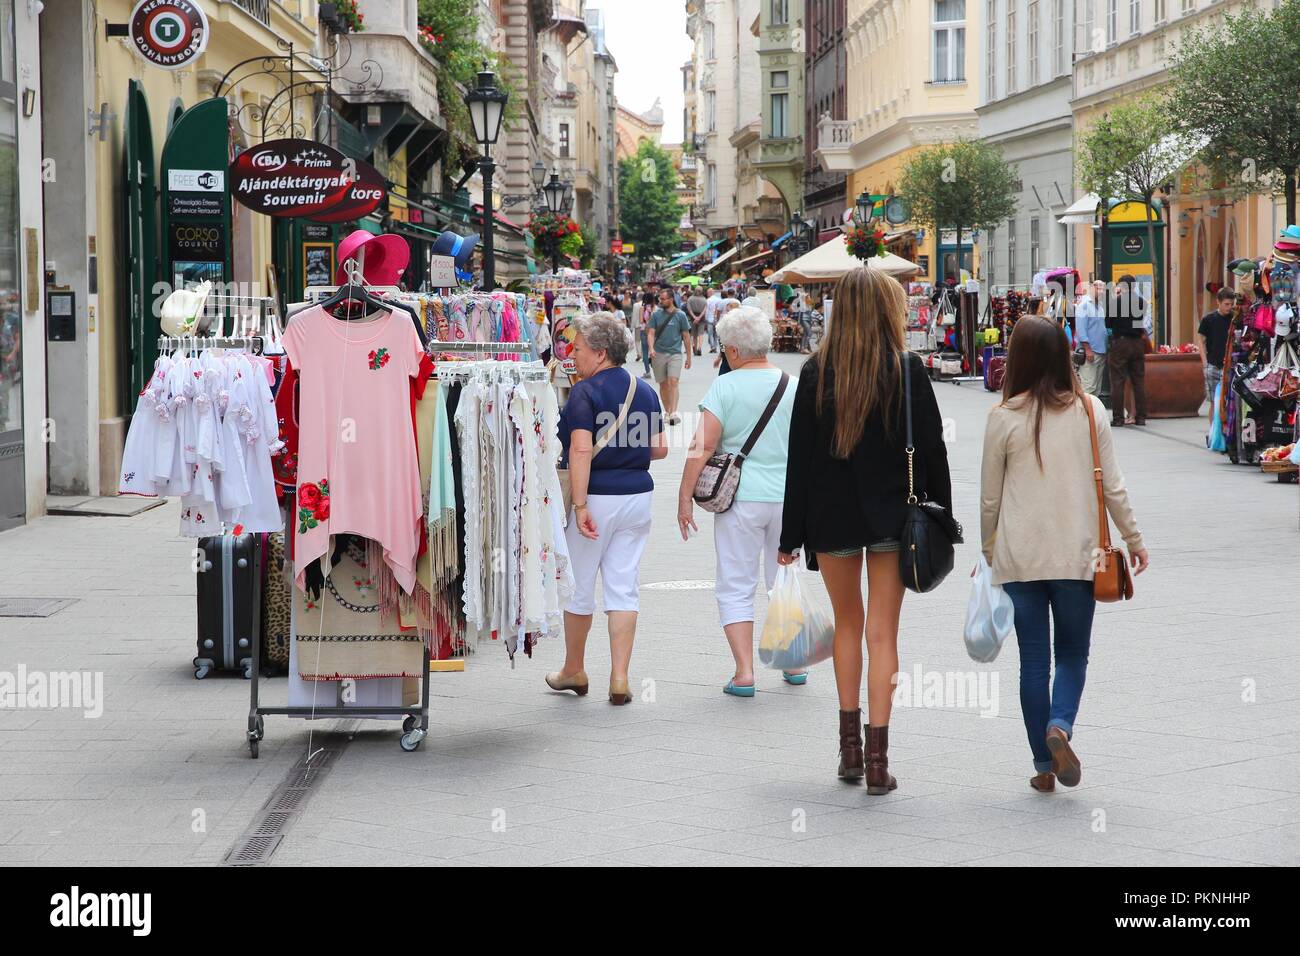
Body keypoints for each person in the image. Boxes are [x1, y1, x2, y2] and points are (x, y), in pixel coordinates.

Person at [778, 268, 952, 793]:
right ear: (885, 310)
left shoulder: (815, 372)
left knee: (847, 625)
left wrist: (789, 536)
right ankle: (879, 760)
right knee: (883, 632)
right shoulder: (907, 369)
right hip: (892, 517)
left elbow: (799, 462)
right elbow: (934, 450)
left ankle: (848, 750)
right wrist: (944, 516)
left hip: (830, 519)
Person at [980, 315, 1148, 792]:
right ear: (1063, 354)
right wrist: (1134, 540)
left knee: (1032, 661)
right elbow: (1112, 487)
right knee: (1072, 653)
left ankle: (1042, 764)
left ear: (1016, 359)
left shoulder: (1002, 417)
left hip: (1020, 556)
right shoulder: (1090, 410)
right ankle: (1061, 727)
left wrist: (991, 549)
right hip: (1084, 555)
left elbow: (990, 498)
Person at [678, 305, 803, 696]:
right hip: (789, 499)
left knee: (735, 583)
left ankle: (745, 672)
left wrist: (684, 496)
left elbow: (703, 445)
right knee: (784, 579)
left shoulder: (725, 386)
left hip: (739, 501)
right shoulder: (794, 384)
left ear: (732, 350)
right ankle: (794, 661)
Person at [547, 313, 669, 705]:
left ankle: (574, 669)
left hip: (597, 497)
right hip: (637, 498)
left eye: (578, 348)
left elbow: (580, 449)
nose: (572, 354)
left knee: (580, 584)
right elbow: (660, 448)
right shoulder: (645, 389)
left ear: (599, 354)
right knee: (623, 586)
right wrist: (626, 451)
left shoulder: (585, 392)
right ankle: (619, 677)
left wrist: (579, 504)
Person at [1107, 275, 1149, 426]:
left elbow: (1109, 323)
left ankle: (1118, 418)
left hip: (1121, 343)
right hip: (1137, 343)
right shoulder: (1142, 302)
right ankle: (1141, 417)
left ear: (1123, 287)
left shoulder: (1115, 302)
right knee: (1138, 381)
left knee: (1118, 381)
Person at [647, 288, 693, 425]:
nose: (661, 301)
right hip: (658, 353)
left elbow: (686, 336)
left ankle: (673, 412)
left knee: (673, 381)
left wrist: (689, 357)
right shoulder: (656, 315)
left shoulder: (681, 315)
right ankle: (667, 411)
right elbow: (650, 333)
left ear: (671, 299)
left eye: (663, 299)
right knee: (663, 384)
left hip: (675, 354)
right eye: (660, 299)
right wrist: (651, 348)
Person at [1198, 288, 1236, 422]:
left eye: (1231, 304)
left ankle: (1226, 432)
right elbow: (1201, 341)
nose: (1229, 307)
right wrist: (1205, 363)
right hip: (1213, 365)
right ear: (1218, 302)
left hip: (1229, 366)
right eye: (1226, 304)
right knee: (1214, 402)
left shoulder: (1234, 319)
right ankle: (1213, 431)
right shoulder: (1208, 320)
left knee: (1228, 401)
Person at [1074, 280, 1108, 398]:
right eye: (1098, 288)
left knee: (1097, 388)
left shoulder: (1100, 306)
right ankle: (1085, 414)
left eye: (1103, 289)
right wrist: (1087, 349)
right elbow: (1081, 329)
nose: (1101, 291)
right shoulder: (1084, 305)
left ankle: (1093, 414)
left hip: (1100, 351)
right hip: (1091, 351)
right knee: (1088, 387)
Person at [713, 296, 741, 374]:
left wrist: (719, 357)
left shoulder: (726, 323)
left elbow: (722, 343)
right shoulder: (742, 323)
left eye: (727, 310)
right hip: (739, 358)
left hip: (728, 357)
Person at [634, 290, 655, 379]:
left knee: (645, 352)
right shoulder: (655, 308)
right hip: (653, 331)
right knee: (653, 350)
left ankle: (647, 371)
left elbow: (641, 321)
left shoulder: (642, 308)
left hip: (644, 330)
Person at [686, 286, 709, 356]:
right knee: (700, 334)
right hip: (701, 318)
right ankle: (699, 348)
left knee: (694, 334)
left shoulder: (690, 299)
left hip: (692, 318)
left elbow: (689, 309)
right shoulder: (704, 299)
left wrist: (694, 317)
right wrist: (699, 317)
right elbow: (705, 310)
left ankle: (694, 346)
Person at [704, 285, 724, 353]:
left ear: (709, 293)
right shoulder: (719, 300)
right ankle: (715, 346)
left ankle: (712, 346)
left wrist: (705, 319)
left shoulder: (708, 300)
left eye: (707, 293)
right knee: (715, 334)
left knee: (710, 334)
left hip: (709, 319)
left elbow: (706, 310)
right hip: (717, 319)